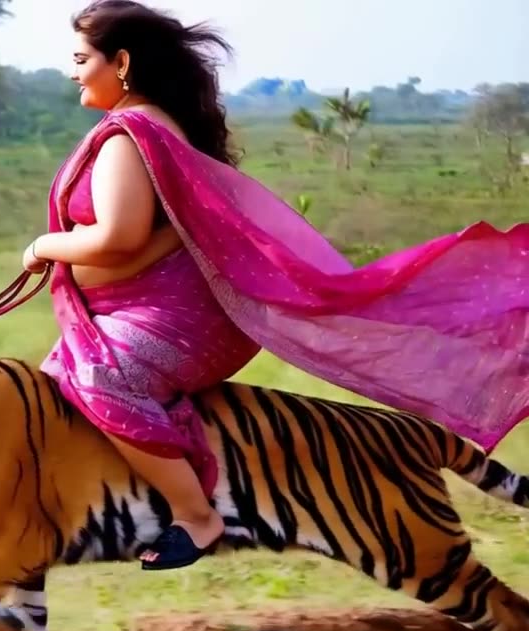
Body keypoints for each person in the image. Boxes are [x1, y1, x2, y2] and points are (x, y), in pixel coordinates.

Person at [27, 0, 529, 571]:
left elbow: (118, 239)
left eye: (78, 58)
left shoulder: (129, 138)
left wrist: (41, 248)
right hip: (162, 307)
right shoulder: (152, 129)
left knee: (98, 375)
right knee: (52, 388)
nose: (70, 71)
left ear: (120, 62)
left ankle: (196, 516)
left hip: (177, 321)